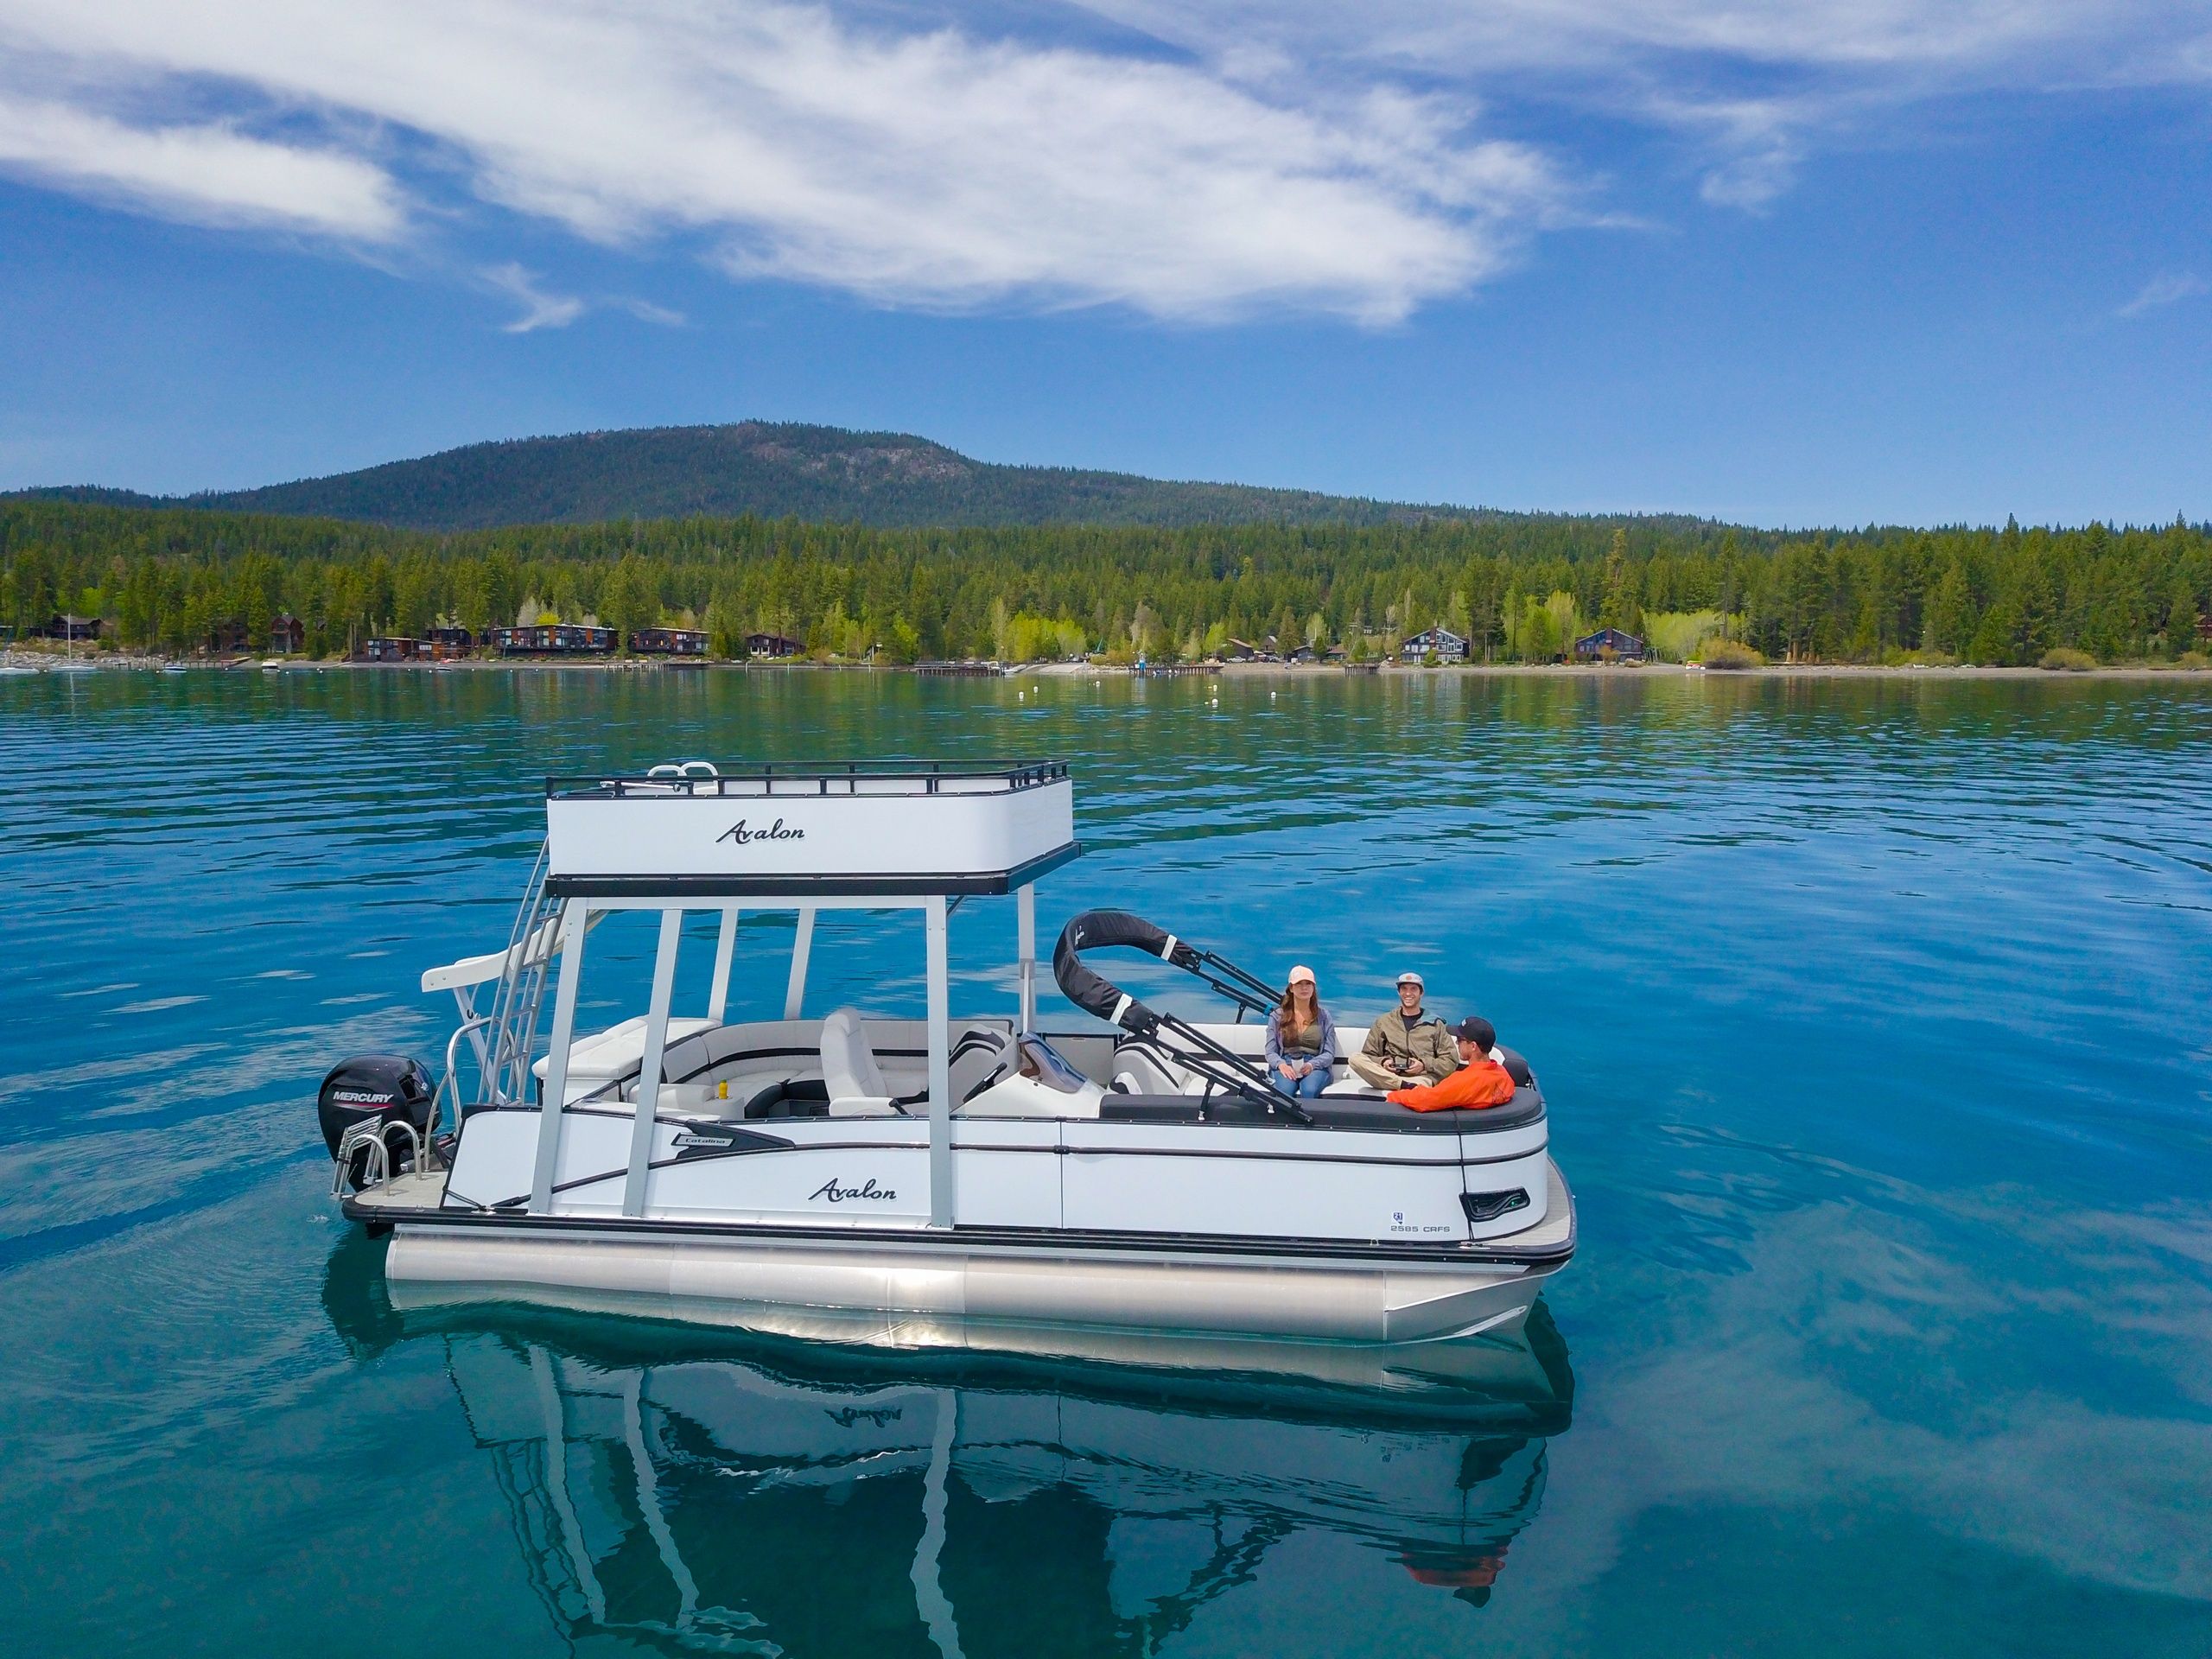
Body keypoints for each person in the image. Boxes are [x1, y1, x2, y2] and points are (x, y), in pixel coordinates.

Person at [1350, 970, 1461, 1090]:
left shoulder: (1435, 1024)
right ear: (1399, 992)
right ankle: (1403, 1085)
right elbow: (1368, 1055)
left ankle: (1400, 1085)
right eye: (1404, 989)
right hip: (1388, 1075)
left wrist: (1424, 1065)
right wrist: (1384, 1062)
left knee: (1424, 1083)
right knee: (1355, 1059)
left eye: (1413, 989)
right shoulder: (1384, 1021)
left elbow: (1450, 1061)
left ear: (1421, 993)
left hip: (1421, 1078)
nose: (1408, 993)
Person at [1388, 1017, 1516, 1111]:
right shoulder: (1504, 1076)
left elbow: (1424, 1100)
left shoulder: (1464, 1082)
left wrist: (1393, 1096)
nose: (1456, 1043)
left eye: (1460, 1040)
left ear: (1473, 1046)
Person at [1265, 965, 1338, 1099]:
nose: (1304, 988)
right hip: (1286, 1063)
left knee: (1309, 1090)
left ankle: (1310, 1120)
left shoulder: (1324, 1016)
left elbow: (1329, 1053)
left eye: (1308, 984)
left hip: (1315, 1065)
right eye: (1299, 984)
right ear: (1291, 988)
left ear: (1313, 988)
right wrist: (1281, 1065)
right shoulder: (1277, 1016)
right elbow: (1270, 1052)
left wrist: (1312, 1065)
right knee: (1285, 1092)